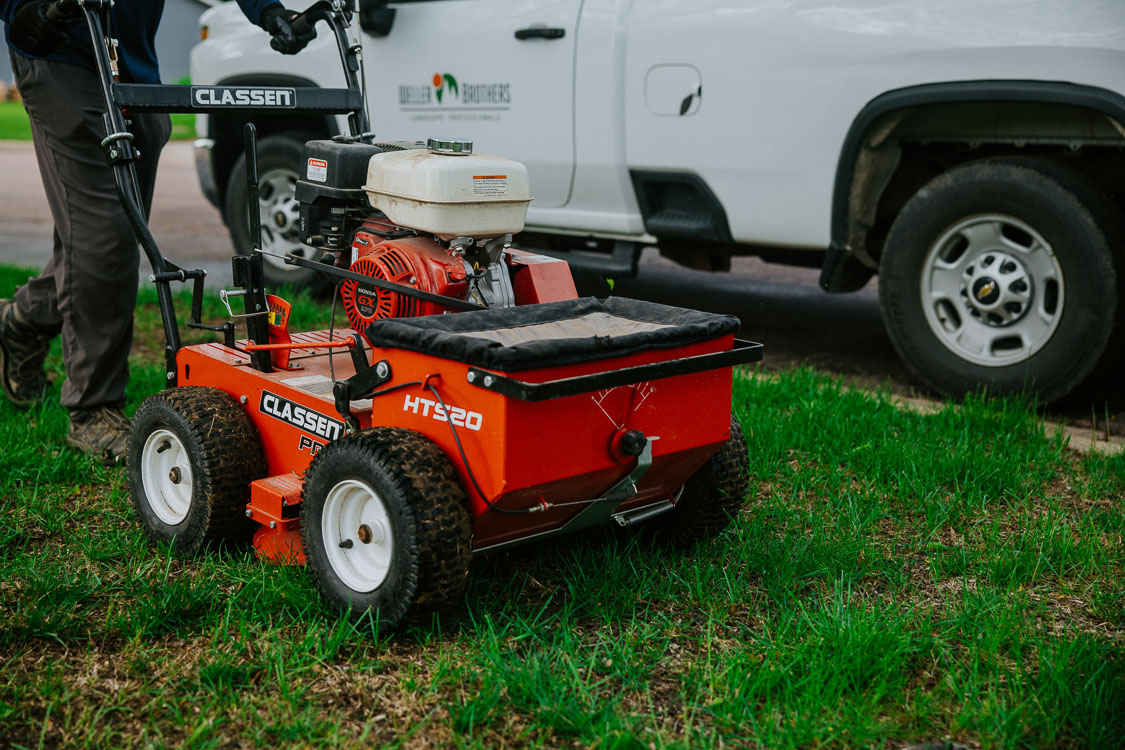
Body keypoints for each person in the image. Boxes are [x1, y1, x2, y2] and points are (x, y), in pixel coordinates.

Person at [0, 0, 315, 465]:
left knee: (110, 237)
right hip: (61, 53)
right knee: (105, 241)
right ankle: (92, 407)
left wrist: (269, 11)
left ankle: (21, 322)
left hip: (131, 64)